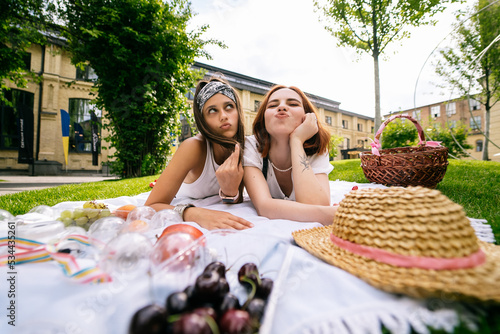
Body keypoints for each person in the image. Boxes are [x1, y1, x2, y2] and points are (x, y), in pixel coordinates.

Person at [145, 77, 253, 230]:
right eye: (212, 110)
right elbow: (150, 206)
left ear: (238, 111)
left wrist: (230, 193)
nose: (223, 115)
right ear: (203, 121)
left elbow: (233, 202)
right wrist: (194, 214)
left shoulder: (246, 147)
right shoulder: (193, 147)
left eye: (229, 106)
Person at [243, 85, 338, 225]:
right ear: (263, 118)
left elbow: (317, 204)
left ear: (307, 117)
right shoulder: (251, 146)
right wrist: (333, 215)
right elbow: (264, 207)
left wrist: (297, 141)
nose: (281, 107)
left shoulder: (317, 146)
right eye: (272, 105)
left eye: (293, 104)